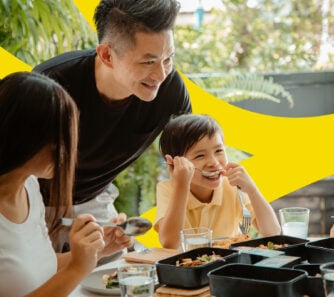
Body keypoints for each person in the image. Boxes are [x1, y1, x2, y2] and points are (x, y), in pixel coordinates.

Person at [33, 0, 191, 251]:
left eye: (168, 59)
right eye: (148, 62)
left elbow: (192, 157)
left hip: (96, 201)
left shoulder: (170, 90)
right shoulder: (52, 85)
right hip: (30, 202)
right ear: (106, 54)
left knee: (114, 280)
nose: (161, 74)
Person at [0, 71, 132, 297]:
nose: (66, 153)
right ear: (22, 136)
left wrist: (95, 252)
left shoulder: (30, 187)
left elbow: (40, 269)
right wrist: (77, 268)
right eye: (58, 140)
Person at [154, 114, 281, 249]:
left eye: (219, 150)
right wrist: (181, 185)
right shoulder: (169, 189)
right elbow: (170, 243)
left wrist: (252, 189)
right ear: (173, 163)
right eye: (200, 155)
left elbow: (272, 232)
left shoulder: (231, 185)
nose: (214, 163)